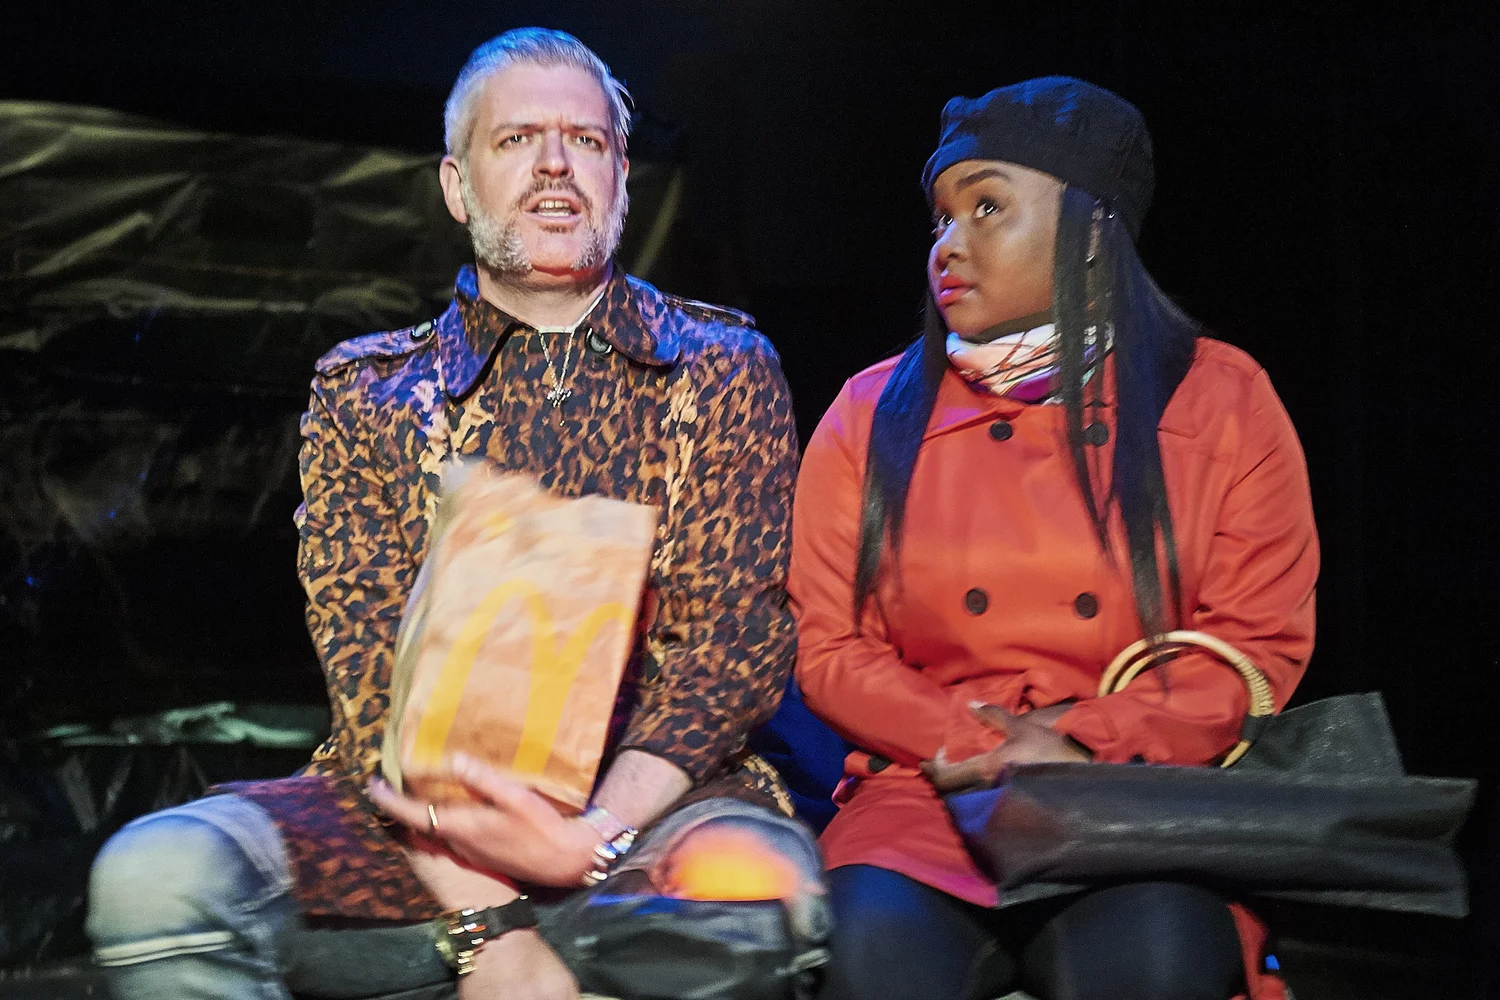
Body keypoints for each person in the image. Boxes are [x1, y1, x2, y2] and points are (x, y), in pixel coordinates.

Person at [86, 28, 823, 1000]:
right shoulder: (370, 393)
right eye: (517, 139)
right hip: (414, 826)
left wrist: (593, 835)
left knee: (758, 895)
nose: (555, 163)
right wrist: (491, 923)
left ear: (621, 178)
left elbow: (730, 645)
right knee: (153, 875)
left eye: (587, 141)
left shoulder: (722, 368)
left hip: (657, 809)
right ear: (456, 184)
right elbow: (369, 671)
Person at [789, 77, 1319, 1000]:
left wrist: (1081, 739)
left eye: (987, 207)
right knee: (869, 963)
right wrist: (974, 741)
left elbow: (1253, 646)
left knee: (1158, 963)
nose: (948, 244)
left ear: (1093, 231)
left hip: (1133, 798)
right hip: (924, 799)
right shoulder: (869, 412)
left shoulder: (1222, 399)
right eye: (940, 218)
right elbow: (827, 646)